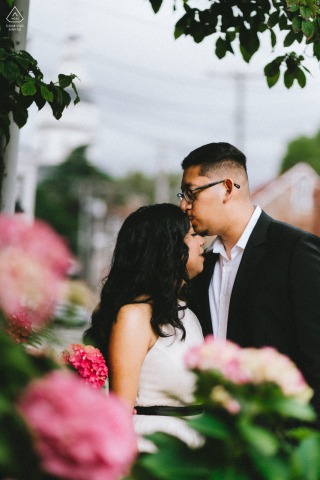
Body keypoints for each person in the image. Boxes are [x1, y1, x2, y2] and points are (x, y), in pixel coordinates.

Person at [177, 141, 320, 415]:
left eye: (191, 193)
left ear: (228, 188)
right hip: (216, 437)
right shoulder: (202, 268)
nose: (184, 205)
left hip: (281, 437)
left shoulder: (295, 251)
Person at [84, 203, 205, 451]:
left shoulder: (188, 314)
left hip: (192, 448)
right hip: (152, 449)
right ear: (169, 247)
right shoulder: (135, 316)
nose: (202, 241)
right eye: (192, 235)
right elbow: (120, 409)